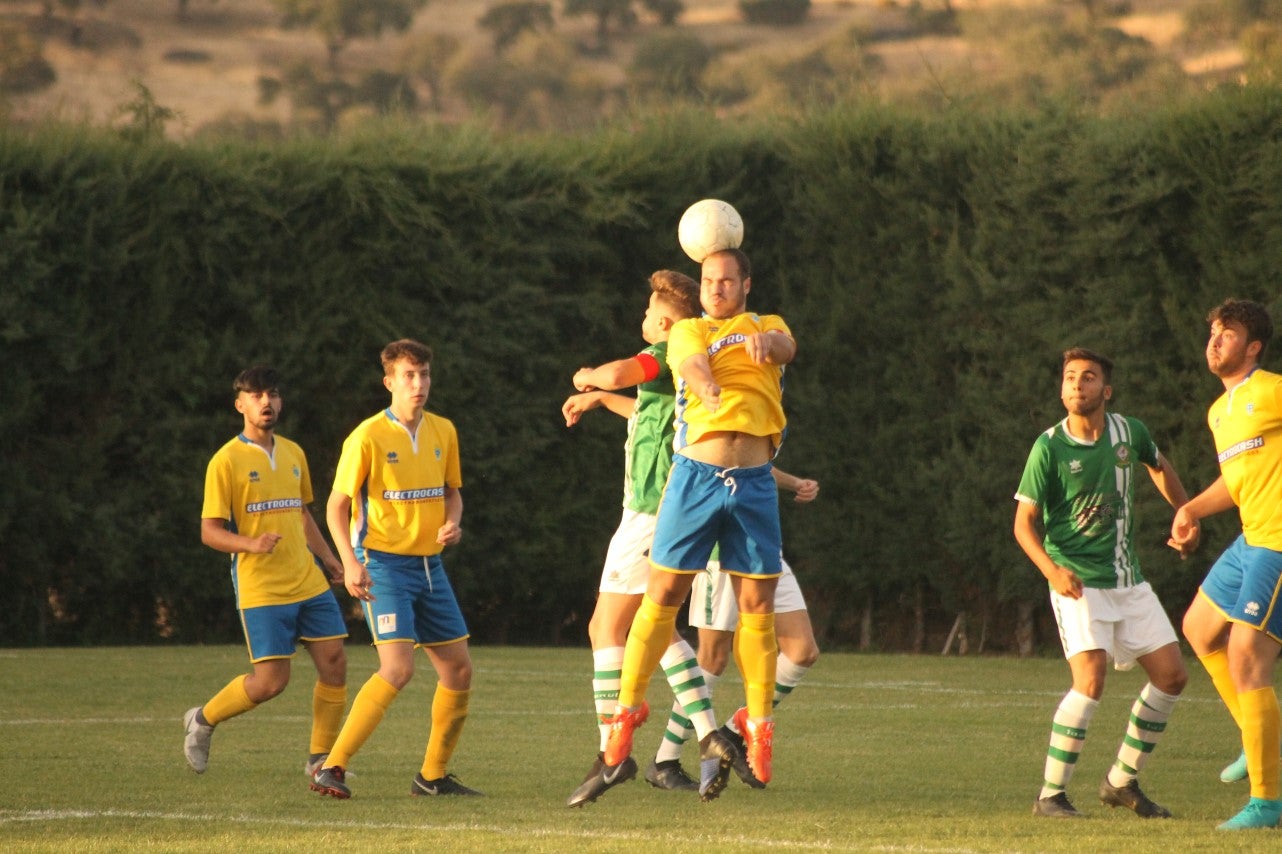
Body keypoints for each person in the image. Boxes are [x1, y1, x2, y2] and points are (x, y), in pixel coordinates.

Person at [600, 246, 796, 802]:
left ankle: (758, 727)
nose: (716, 288)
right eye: (709, 280)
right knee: (661, 595)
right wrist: (705, 383)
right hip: (694, 478)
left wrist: (767, 344)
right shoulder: (689, 330)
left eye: (727, 281)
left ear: (746, 285)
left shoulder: (765, 324)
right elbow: (686, 362)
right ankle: (624, 717)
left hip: (755, 483)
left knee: (757, 606)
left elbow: (787, 346)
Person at [1014, 347, 1193, 820]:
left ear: (1105, 391)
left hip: (1128, 580)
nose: (1076, 386)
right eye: (1070, 378)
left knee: (1173, 676)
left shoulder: (1129, 432)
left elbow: (1158, 465)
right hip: (1077, 581)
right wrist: (1053, 571)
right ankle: (1051, 796)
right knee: (1089, 682)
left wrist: (1186, 513)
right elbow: (1023, 524)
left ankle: (1120, 781)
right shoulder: (1048, 446)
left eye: (1087, 378)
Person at [561, 270, 716, 807]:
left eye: (649, 315)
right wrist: (604, 400)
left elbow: (629, 369)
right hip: (663, 511)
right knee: (659, 629)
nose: (643, 322)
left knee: (606, 625)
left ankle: (612, 751)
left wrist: (590, 377)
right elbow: (650, 413)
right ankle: (709, 734)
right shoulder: (687, 360)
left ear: (666, 323)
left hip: (650, 513)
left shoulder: (666, 349)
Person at [310, 339, 479, 799]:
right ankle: (332, 766)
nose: (419, 384)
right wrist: (349, 563)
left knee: (459, 672)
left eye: (424, 374)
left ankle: (432, 777)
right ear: (389, 382)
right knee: (398, 668)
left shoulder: (444, 430)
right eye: (409, 375)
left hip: (430, 569)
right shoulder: (367, 436)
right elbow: (335, 507)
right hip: (383, 566)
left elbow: (453, 493)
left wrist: (453, 523)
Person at [183, 366, 349, 779]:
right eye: (255, 395)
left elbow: (303, 513)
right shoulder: (225, 461)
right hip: (262, 587)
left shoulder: (293, 453)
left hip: (306, 580)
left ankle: (319, 761)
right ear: (240, 404)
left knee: (335, 662)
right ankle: (203, 720)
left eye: (272, 394)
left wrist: (329, 559)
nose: (265, 402)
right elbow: (209, 532)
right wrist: (250, 544)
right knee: (271, 682)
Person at [1171, 299, 1282, 830]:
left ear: (1253, 347)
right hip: (1251, 538)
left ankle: (1268, 803)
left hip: (1279, 543)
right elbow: (1238, 484)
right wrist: (1190, 507)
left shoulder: (1270, 390)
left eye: (1229, 332)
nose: (1215, 339)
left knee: (1246, 655)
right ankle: (1255, 739)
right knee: (1199, 627)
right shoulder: (1219, 412)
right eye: (1213, 329)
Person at [685, 468, 820, 772]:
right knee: (712, 658)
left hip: (764, 547)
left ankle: (733, 730)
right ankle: (666, 759)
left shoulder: (770, 421)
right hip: (722, 549)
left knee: (803, 651)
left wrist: (796, 482)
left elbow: (755, 463)